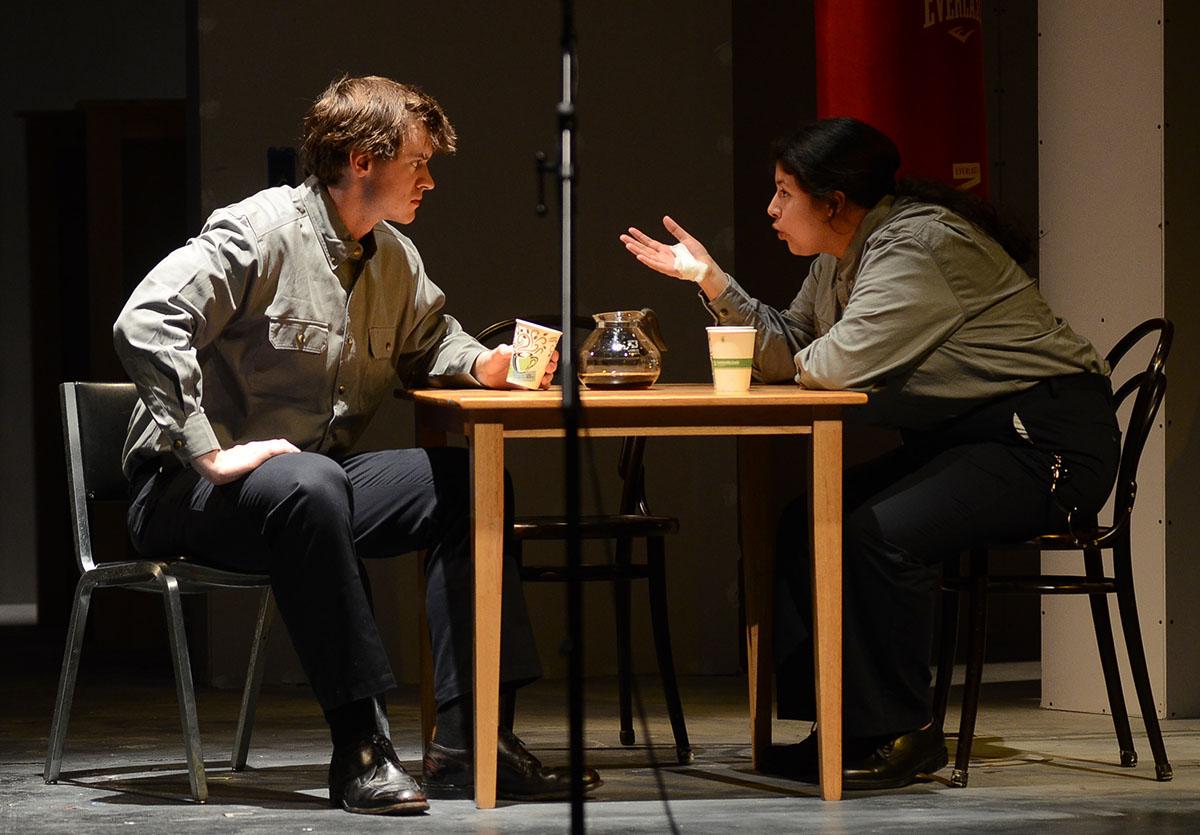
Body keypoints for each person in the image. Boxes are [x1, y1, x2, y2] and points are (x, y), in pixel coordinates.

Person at [114, 75, 598, 815]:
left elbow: (434, 338)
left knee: (471, 482)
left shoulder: (394, 258)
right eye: (418, 163)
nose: (430, 180)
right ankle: (362, 748)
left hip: (313, 483)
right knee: (310, 485)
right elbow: (146, 320)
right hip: (187, 490)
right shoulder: (260, 232)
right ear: (363, 160)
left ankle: (473, 743)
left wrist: (482, 364)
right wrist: (208, 450)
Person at [620, 116, 1119, 790]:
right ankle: (842, 722)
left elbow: (828, 366)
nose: (771, 209)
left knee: (877, 533)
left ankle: (906, 731)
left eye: (783, 193)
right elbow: (787, 349)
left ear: (832, 203)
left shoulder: (917, 246)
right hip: (973, 436)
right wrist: (712, 281)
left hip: (1044, 441)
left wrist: (794, 356)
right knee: (808, 521)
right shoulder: (840, 256)